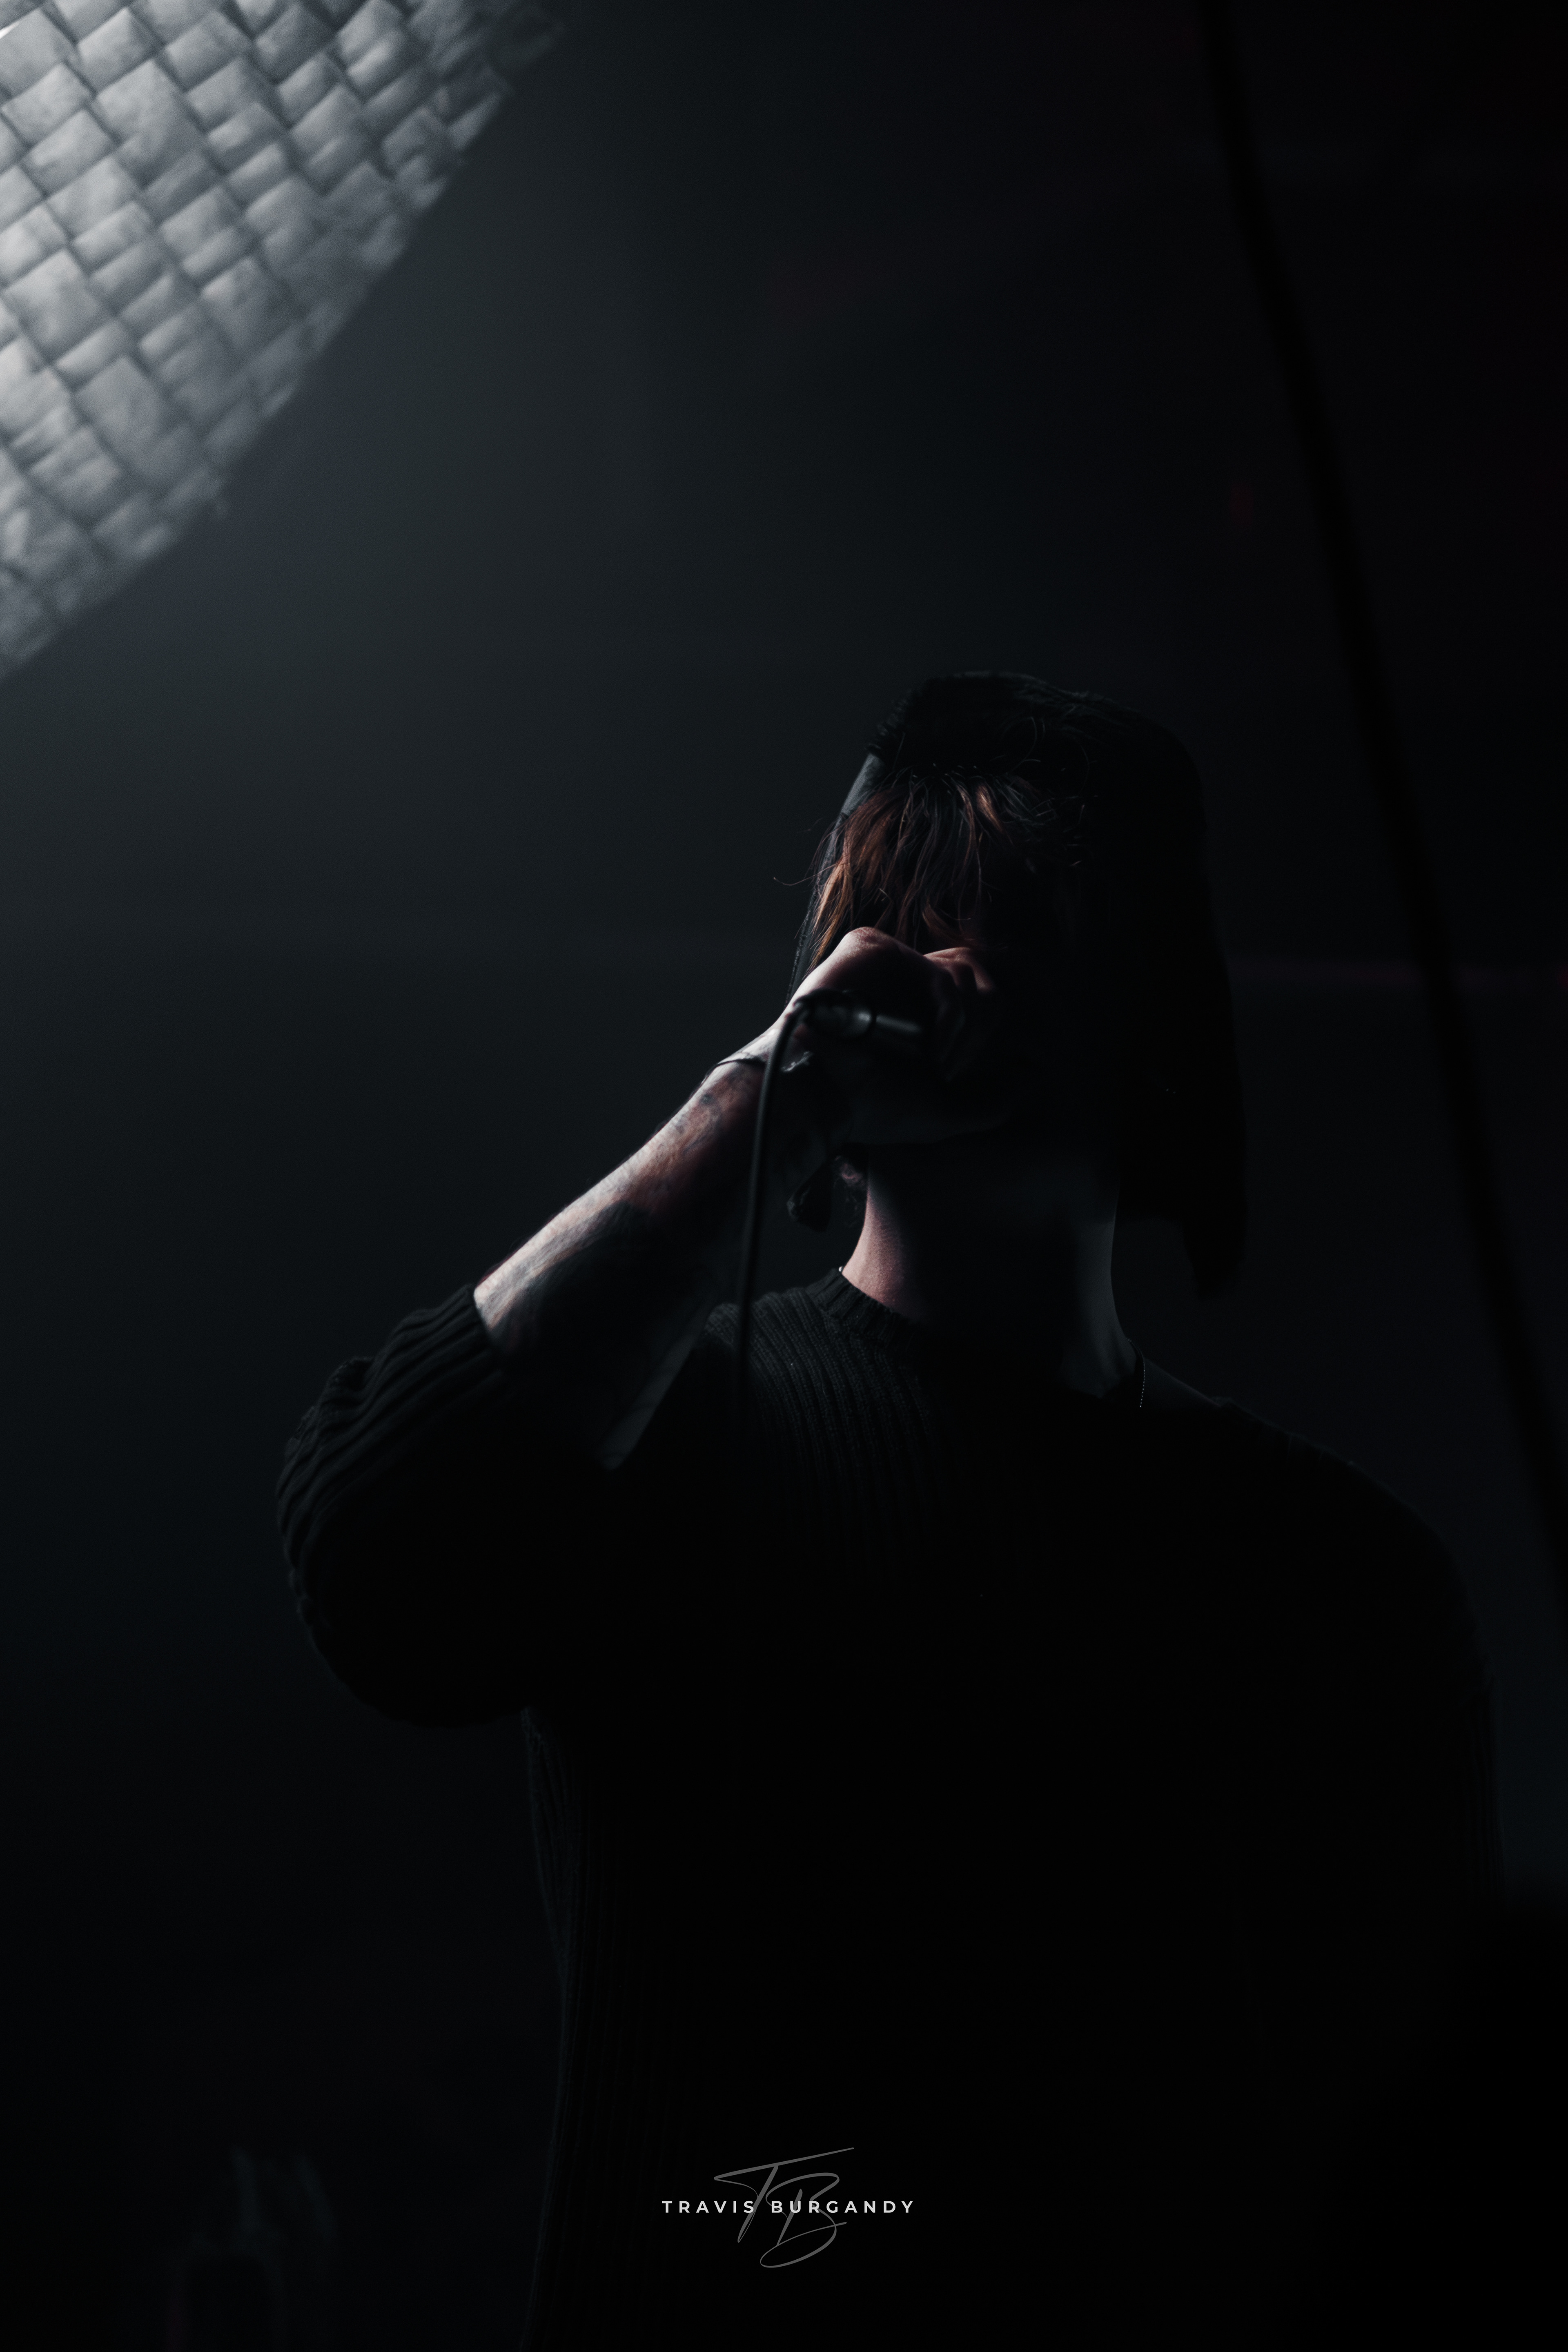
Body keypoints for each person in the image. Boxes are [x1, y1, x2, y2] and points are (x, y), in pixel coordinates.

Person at [278, 673, 1500, 2345]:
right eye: (904, 935)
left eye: (1030, 934)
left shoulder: (1339, 1576)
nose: (952, 988)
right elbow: (378, 1569)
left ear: (1146, 1018)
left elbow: (1427, 2159)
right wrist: (754, 1106)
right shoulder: (665, 1429)